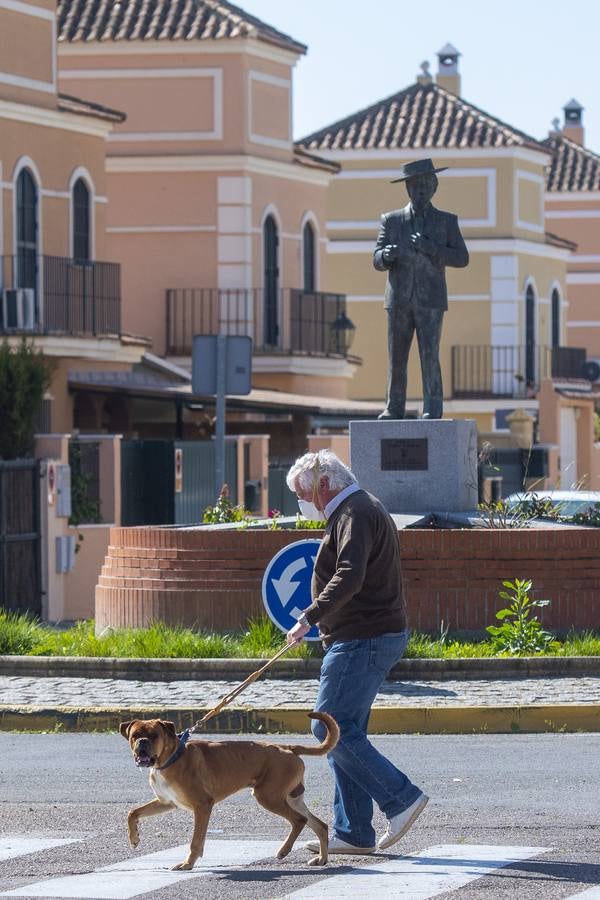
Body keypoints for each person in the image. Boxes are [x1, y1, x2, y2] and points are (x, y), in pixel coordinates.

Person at [286, 449, 428, 854]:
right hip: (363, 635)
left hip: (361, 637)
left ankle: (401, 799)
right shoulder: (358, 509)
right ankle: (353, 831)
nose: (304, 503)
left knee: (328, 729)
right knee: (343, 731)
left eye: (303, 494)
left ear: (325, 485)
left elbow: (350, 573)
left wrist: (310, 616)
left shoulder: (354, 512)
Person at [373, 157, 469, 420]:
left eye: (426, 185)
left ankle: (432, 407)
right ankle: (394, 408)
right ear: (408, 189)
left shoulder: (446, 222)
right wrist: (386, 256)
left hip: (431, 300)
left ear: (435, 187)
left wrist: (432, 249)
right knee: (397, 358)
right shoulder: (391, 221)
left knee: (429, 355)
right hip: (398, 300)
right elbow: (376, 258)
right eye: (416, 186)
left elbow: (462, 258)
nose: (421, 191)